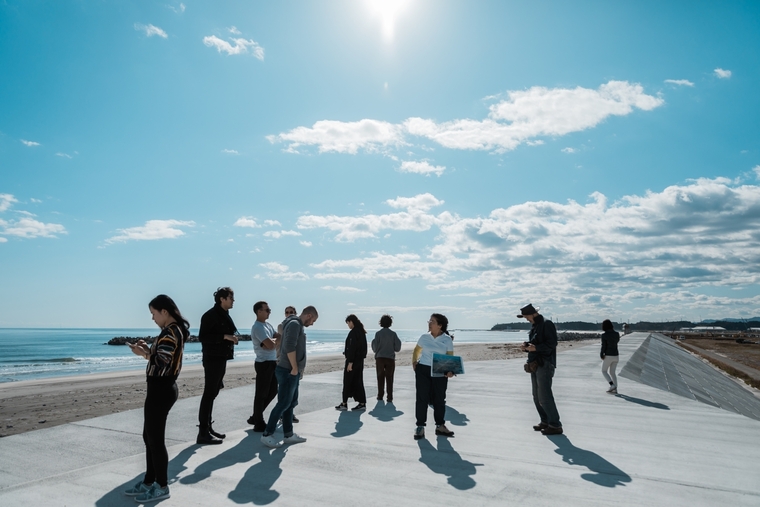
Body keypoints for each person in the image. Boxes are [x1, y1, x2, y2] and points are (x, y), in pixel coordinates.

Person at [125, 295, 189, 503]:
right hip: (160, 389)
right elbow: (162, 356)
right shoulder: (171, 331)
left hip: (161, 389)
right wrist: (147, 349)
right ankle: (149, 481)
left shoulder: (171, 332)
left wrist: (142, 354)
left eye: (153, 313)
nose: (152, 318)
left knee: (155, 440)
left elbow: (162, 362)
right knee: (149, 437)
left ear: (165, 311)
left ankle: (161, 486)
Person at [260, 306, 319, 448]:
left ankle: (288, 434)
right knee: (284, 403)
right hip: (287, 370)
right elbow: (289, 346)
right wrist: (294, 367)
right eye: (313, 320)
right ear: (309, 315)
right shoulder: (294, 324)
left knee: (290, 403)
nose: (312, 324)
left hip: (291, 370)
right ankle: (267, 434)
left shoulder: (295, 324)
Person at [197, 287, 239, 445]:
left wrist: (230, 338)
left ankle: (207, 428)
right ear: (222, 299)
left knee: (213, 392)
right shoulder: (210, 315)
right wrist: (225, 336)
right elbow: (203, 337)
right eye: (230, 297)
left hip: (221, 358)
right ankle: (202, 432)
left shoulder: (224, 315)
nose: (233, 300)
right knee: (209, 394)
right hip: (212, 358)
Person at [519, 303, 562, 436]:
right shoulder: (536, 325)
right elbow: (537, 342)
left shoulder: (546, 324)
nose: (526, 319)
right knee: (536, 395)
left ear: (533, 314)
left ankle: (555, 425)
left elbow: (552, 343)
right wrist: (527, 346)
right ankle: (545, 421)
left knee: (545, 395)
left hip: (545, 363)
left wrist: (535, 348)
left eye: (526, 316)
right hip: (535, 363)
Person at [412, 313, 455, 440]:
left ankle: (440, 425)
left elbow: (450, 357)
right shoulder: (424, 337)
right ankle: (420, 426)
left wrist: (450, 371)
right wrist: (415, 363)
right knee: (422, 399)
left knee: (439, 399)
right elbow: (416, 350)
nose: (429, 323)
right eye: (429, 321)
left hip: (440, 371)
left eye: (432, 321)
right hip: (423, 370)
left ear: (440, 325)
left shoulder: (447, 339)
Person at [248, 301, 281, 432]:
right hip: (263, 363)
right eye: (267, 310)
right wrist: (272, 342)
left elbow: (279, 337)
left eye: (269, 310)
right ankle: (258, 422)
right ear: (259, 311)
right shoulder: (257, 327)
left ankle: (255, 417)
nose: (269, 312)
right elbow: (271, 345)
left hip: (272, 361)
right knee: (261, 394)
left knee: (273, 391)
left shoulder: (267, 325)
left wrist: (272, 341)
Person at [335, 314, 368, 411]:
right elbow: (363, 349)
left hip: (353, 361)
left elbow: (352, 348)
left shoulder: (353, 333)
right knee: (358, 381)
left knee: (347, 381)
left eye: (348, 323)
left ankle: (344, 403)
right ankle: (362, 403)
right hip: (359, 361)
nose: (348, 325)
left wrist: (350, 362)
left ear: (351, 322)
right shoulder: (362, 332)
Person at [276, 306, 300, 424]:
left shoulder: (297, 324)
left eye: (291, 312)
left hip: (294, 362)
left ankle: (290, 413)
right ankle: (282, 415)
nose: (289, 314)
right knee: (284, 390)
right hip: (284, 361)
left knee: (294, 391)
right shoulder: (282, 326)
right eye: (287, 312)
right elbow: (285, 344)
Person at [371, 314, 402, 402]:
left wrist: (374, 343)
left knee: (380, 377)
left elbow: (375, 348)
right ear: (390, 323)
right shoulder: (393, 334)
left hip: (380, 358)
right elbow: (397, 348)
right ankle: (390, 396)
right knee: (390, 377)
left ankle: (380, 395)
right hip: (390, 358)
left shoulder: (378, 334)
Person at [600, 319, 620, 394]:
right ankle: (615, 389)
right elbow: (616, 342)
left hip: (608, 355)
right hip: (616, 355)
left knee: (604, 371)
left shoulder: (604, 335)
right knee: (612, 372)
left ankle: (612, 385)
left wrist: (602, 354)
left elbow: (603, 346)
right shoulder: (617, 334)